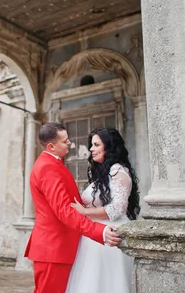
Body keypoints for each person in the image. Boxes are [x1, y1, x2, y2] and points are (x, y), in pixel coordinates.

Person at [25, 122, 122, 293]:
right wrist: (98, 231)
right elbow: (63, 210)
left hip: (60, 247)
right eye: (65, 141)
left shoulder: (54, 163)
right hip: (53, 248)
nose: (69, 143)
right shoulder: (48, 167)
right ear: (51, 146)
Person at [66, 126, 141, 293]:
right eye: (91, 145)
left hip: (110, 234)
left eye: (96, 144)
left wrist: (84, 212)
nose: (91, 149)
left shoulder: (118, 170)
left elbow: (117, 208)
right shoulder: (104, 173)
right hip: (94, 236)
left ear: (109, 145)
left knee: (109, 283)